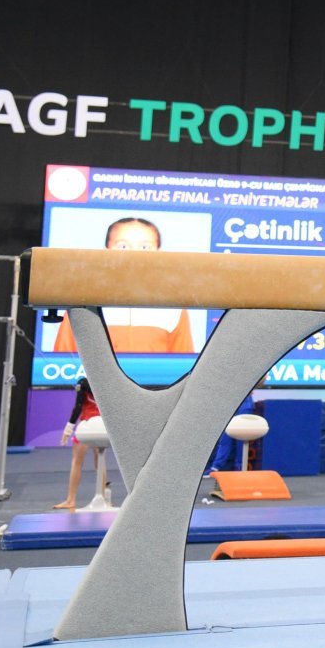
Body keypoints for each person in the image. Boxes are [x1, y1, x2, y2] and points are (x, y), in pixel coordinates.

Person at [51, 217, 196, 353]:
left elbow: (185, 368)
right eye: (123, 246)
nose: (134, 254)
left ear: (159, 252)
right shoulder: (83, 305)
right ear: (106, 250)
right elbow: (61, 361)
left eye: (145, 247)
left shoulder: (173, 308)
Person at [54, 377, 102, 511]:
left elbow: (78, 407)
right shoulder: (103, 381)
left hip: (87, 425)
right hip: (102, 426)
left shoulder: (83, 383)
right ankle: (103, 497)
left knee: (77, 461)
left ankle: (71, 499)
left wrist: (68, 430)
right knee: (100, 461)